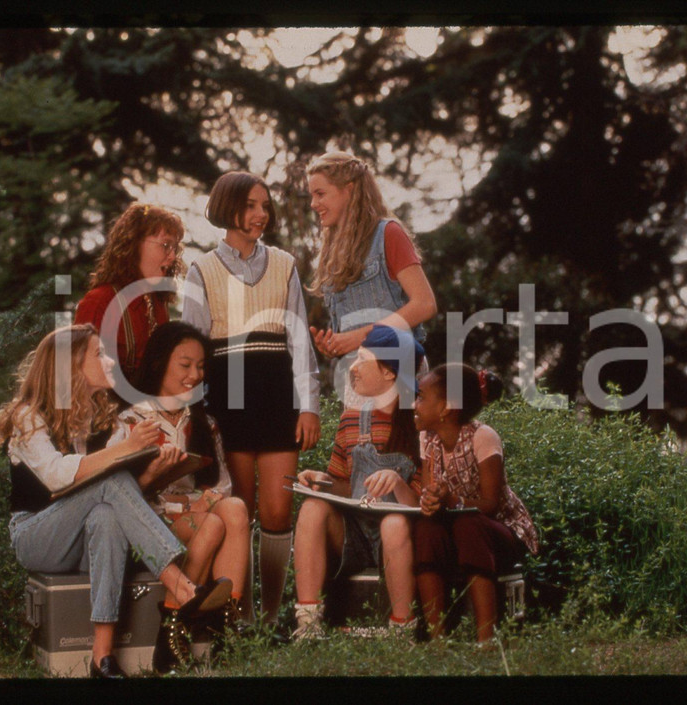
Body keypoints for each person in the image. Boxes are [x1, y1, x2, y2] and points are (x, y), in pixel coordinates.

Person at [0, 324, 232, 678]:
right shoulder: (29, 416)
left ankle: (102, 658)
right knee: (110, 482)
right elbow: (58, 476)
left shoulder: (104, 416)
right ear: (71, 364)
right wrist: (126, 450)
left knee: (106, 513)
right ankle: (180, 585)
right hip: (36, 536)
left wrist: (156, 466)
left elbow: (127, 493)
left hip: (85, 538)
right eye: (97, 354)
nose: (108, 361)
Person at [181, 171, 321, 630]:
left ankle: (272, 615)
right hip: (228, 400)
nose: (261, 214)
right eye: (251, 205)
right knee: (241, 505)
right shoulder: (201, 270)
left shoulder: (284, 264)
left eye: (265, 206)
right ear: (228, 208)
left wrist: (309, 406)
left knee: (279, 510)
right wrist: (198, 415)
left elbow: (300, 341)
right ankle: (237, 615)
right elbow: (193, 350)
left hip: (278, 397)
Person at [120, 321, 252, 670]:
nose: (195, 374)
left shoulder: (204, 422)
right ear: (160, 363)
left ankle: (223, 628)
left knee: (234, 509)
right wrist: (160, 481)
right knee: (213, 522)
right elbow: (120, 496)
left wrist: (204, 501)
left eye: (201, 366)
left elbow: (223, 484)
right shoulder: (133, 419)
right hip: (153, 524)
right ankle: (174, 626)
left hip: (198, 514)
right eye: (185, 365)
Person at [291, 324, 423, 640]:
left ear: (390, 373)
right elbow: (343, 484)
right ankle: (308, 625)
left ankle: (402, 629)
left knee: (392, 523)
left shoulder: (421, 420)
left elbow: (424, 502)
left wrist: (397, 482)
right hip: (354, 535)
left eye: (362, 359)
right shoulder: (352, 417)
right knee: (312, 507)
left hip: (402, 535)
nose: (353, 367)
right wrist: (322, 481)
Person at [411, 363, 540, 643]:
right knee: (426, 529)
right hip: (457, 525)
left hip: (501, 531)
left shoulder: (483, 437)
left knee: (469, 524)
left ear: (446, 408)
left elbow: (491, 505)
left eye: (421, 397)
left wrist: (450, 499)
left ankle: (486, 639)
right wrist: (430, 500)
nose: (415, 404)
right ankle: (437, 639)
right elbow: (428, 486)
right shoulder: (427, 438)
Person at [305, 151, 438, 405]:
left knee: (399, 446)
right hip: (357, 377)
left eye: (320, 194)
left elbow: (425, 304)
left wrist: (358, 337)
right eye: (312, 195)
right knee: (358, 446)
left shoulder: (388, 233)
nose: (313, 204)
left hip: (397, 373)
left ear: (349, 190)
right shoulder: (332, 248)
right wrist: (336, 344)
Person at [75, 203, 187, 387]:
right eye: (165, 245)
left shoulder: (157, 304)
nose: (173, 256)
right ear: (134, 245)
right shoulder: (100, 301)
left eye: (175, 248)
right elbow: (81, 379)